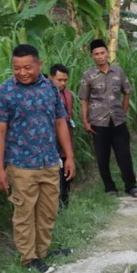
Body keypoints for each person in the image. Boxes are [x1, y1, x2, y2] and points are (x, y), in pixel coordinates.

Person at [0, 44, 75, 273]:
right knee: (24, 213)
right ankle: (29, 260)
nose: (22, 72)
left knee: (48, 211)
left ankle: (42, 252)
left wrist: (69, 157)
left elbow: (60, 122)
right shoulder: (4, 92)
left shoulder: (50, 88)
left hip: (49, 162)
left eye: (28, 67)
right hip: (20, 166)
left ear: (39, 65)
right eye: (17, 68)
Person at [79, 39, 137, 198]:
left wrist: (124, 111)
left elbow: (127, 91)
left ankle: (131, 185)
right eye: (96, 54)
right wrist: (85, 121)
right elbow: (84, 99)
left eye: (102, 53)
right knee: (102, 157)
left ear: (107, 53)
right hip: (98, 122)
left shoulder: (118, 71)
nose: (100, 57)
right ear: (92, 56)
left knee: (124, 155)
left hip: (118, 121)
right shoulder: (88, 75)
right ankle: (110, 187)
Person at [48, 63, 76, 208]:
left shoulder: (67, 94)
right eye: (59, 80)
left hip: (65, 139)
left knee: (67, 173)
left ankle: (66, 205)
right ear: (51, 78)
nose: (63, 83)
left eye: (65, 80)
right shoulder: (45, 94)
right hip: (51, 141)